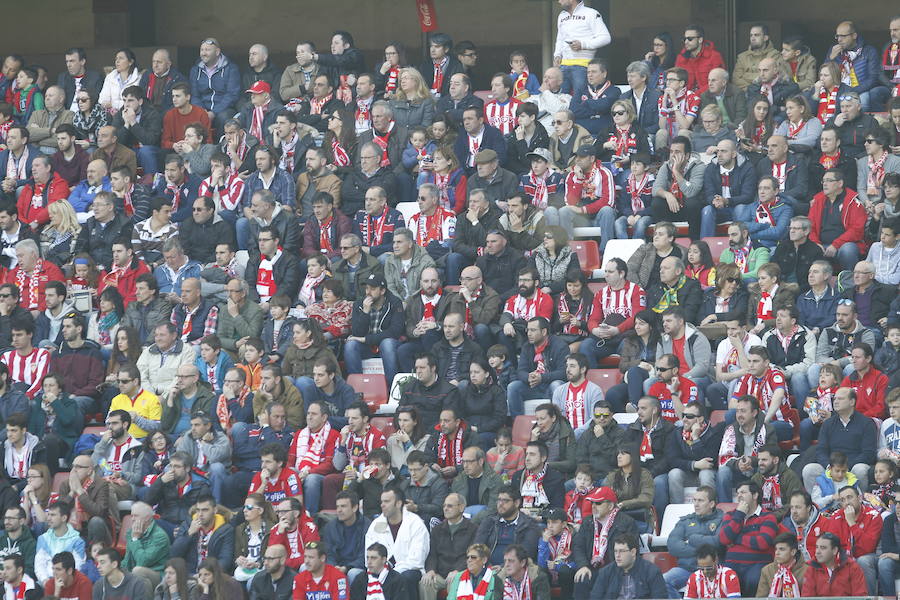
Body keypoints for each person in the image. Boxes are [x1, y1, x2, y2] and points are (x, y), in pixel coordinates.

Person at [570, 487, 638, 600]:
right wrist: (583, 565)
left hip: (616, 569)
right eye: (592, 503)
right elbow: (578, 546)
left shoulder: (626, 522)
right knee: (581, 578)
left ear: (610, 506)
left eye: (598, 503)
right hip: (591, 568)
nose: (593, 506)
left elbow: (631, 551)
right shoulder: (587, 521)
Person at [718, 481, 778, 596]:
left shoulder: (768, 516)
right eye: (738, 493)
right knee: (725, 580)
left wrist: (736, 539)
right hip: (732, 563)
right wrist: (739, 515)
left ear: (755, 495)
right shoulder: (731, 515)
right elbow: (724, 539)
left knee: (754, 580)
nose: (739, 495)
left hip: (757, 563)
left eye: (743, 492)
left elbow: (763, 542)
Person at [364, 487, 429, 593]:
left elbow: (416, 560)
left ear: (398, 504)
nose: (382, 505)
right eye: (381, 501)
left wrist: (391, 572)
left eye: (387, 501)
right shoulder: (376, 524)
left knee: (405, 577)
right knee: (360, 577)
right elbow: (368, 555)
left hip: (409, 571)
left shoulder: (416, 524)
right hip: (380, 570)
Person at [663, 486, 724, 598]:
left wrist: (691, 540)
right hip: (686, 569)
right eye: (694, 500)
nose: (696, 504)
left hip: (712, 570)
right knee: (662, 581)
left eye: (700, 500)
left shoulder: (723, 519)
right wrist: (703, 550)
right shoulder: (686, 521)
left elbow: (718, 543)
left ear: (711, 504)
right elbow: (672, 546)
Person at [553, 0, 610, 98]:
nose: (559, 1)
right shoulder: (562, 16)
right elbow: (560, 38)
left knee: (580, 99)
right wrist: (557, 55)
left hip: (583, 65)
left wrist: (583, 45)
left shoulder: (591, 13)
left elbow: (605, 38)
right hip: (563, 66)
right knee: (560, 99)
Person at [245, 225, 301, 308]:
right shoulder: (254, 259)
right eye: (259, 240)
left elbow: (288, 287)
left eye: (265, 240)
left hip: (278, 305)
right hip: (255, 305)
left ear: (276, 241)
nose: (261, 244)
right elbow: (249, 284)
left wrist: (270, 303)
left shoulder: (289, 260)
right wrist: (256, 304)